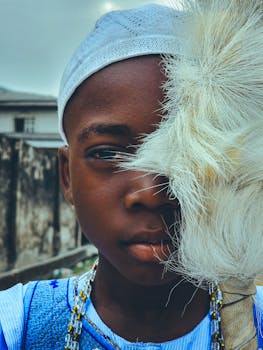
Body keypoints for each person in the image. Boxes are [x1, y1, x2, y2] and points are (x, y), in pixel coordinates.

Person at [0, 2, 263, 350]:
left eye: (186, 153)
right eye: (107, 152)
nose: (152, 193)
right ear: (67, 176)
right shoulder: (18, 326)